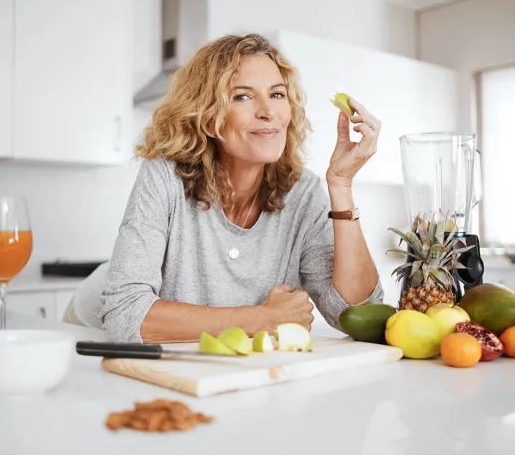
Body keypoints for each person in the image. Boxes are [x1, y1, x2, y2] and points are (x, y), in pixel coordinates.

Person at [95, 33, 384, 343]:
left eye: (277, 94)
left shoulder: (303, 193)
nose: (268, 111)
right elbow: (123, 314)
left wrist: (341, 186)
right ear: (208, 119)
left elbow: (361, 315)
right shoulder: (164, 177)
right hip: (89, 323)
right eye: (242, 96)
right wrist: (262, 318)